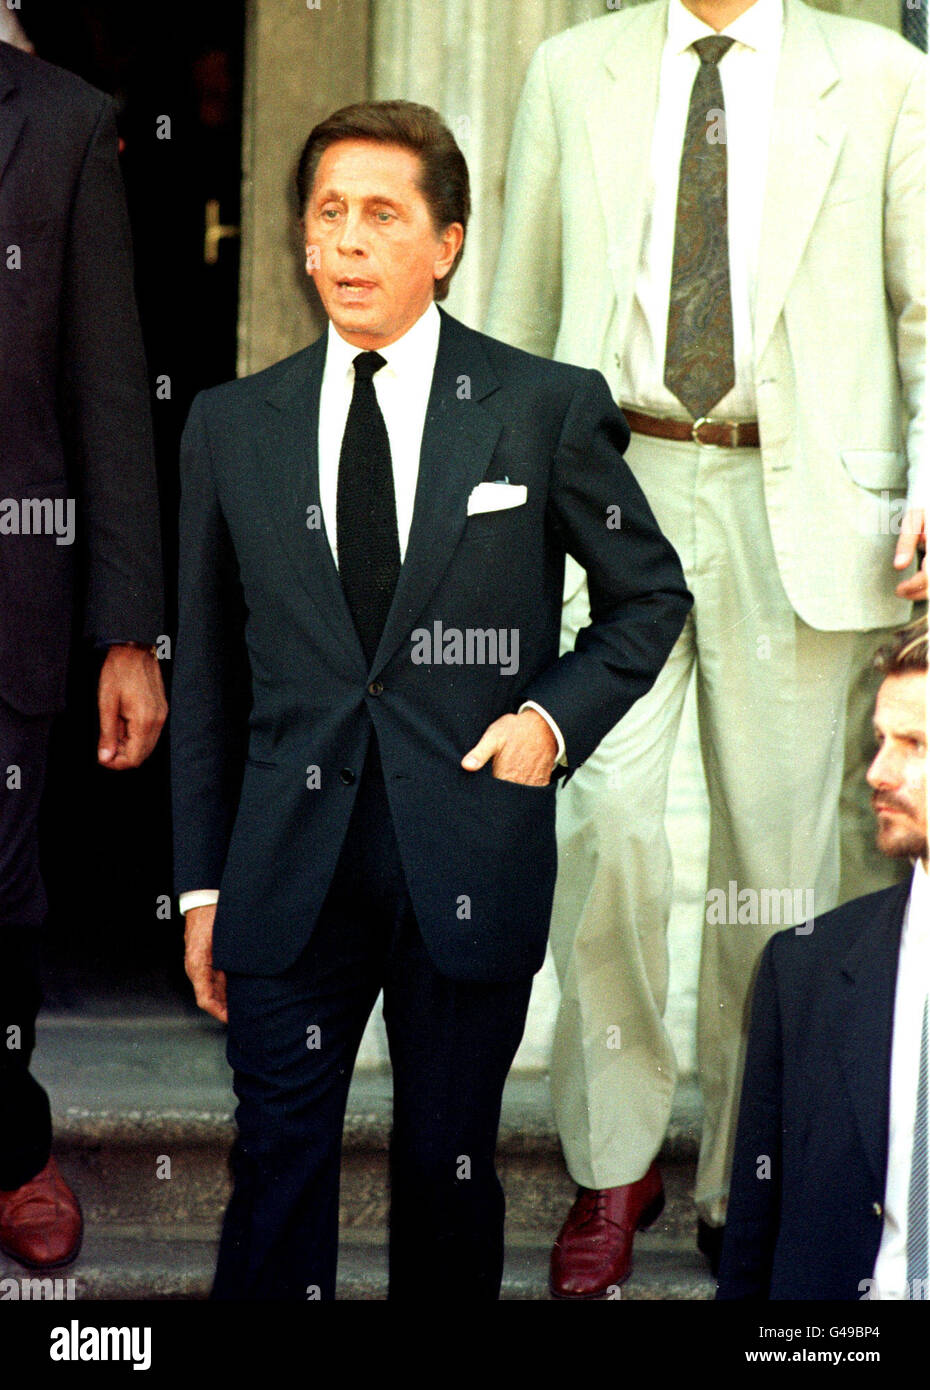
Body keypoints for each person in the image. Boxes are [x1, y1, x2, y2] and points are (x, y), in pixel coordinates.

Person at [172, 99, 692, 1301]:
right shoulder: (228, 425)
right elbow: (204, 677)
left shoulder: (542, 406)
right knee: (277, 1160)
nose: (347, 243)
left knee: (448, 1173)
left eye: (382, 216)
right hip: (284, 863)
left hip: (468, 847)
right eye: (328, 215)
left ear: (446, 243)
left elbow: (647, 595)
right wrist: (201, 881)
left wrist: (548, 723)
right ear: (302, 239)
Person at [486, 0, 926, 1297]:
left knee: (776, 863)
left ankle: (751, 1169)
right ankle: (612, 1159)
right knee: (604, 823)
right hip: (613, 485)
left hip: (803, 510)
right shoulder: (573, 69)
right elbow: (518, 303)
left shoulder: (885, 76)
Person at [0, 39, 166, 1270]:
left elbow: (109, 390)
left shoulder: (62, 121)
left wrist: (129, 629)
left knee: (1, 892)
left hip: (13, 590)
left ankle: (11, 1149)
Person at [718, 616, 928, 1300]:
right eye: (878, 742)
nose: (878, 772)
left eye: (915, 745)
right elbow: (754, 1241)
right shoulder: (804, 969)